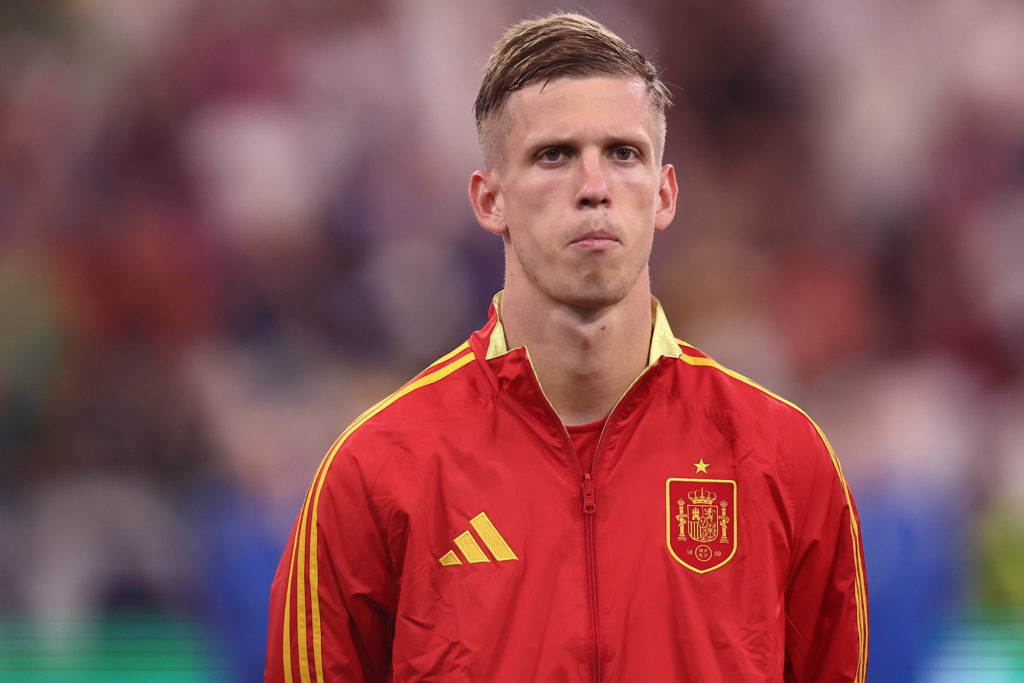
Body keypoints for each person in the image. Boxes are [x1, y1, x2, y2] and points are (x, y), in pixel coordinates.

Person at [265, 12, 868, 682]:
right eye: (553, 155)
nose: (593, 187)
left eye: (623, 153)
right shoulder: (372, 476)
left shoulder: (786, 461)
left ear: (664, 194)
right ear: (489, 199)